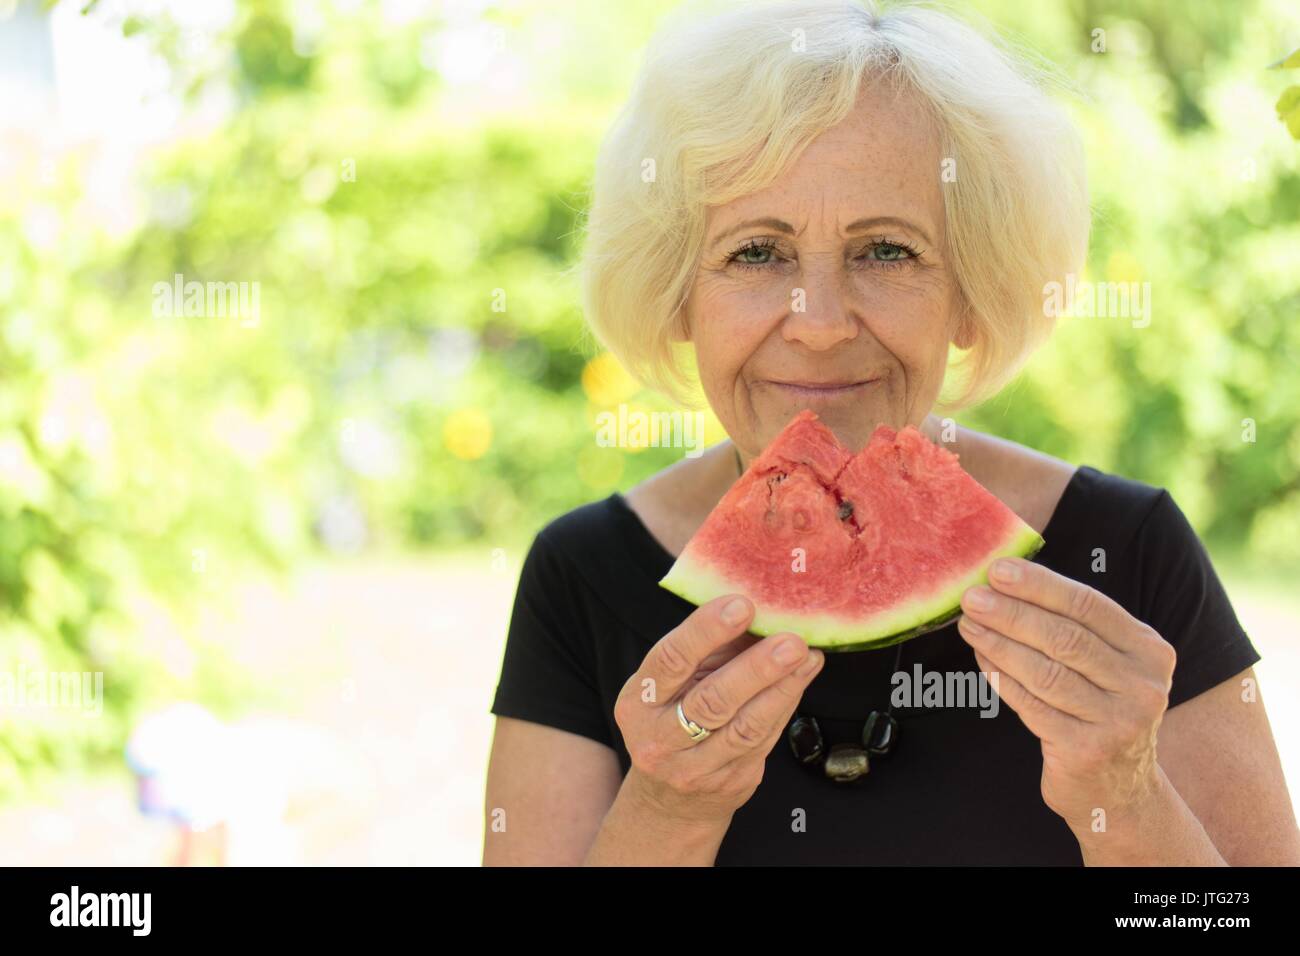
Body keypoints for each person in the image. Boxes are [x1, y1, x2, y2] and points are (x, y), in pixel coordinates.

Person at [483, 0, 1299, 865]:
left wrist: (1127, 801)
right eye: (757, 253)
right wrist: (666, 812)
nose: (822, 322)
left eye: (887, 252)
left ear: (971, 293)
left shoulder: (1127, 555)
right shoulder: (579, 577)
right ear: (677, 293)